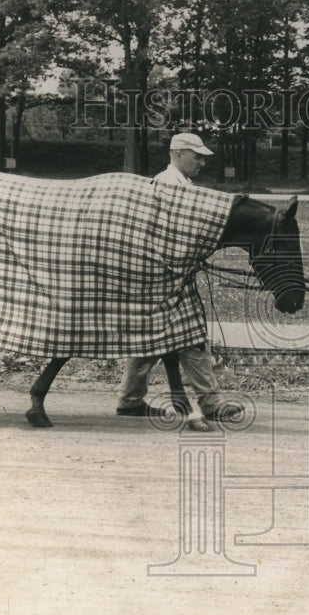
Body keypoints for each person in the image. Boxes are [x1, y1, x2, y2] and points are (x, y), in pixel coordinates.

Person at [115, 132, 244, 423]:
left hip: (166, 277)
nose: (202, 162)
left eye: (202, 157)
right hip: (164, 278)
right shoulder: (167, 185)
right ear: (177, 154)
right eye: (196, 156)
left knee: (150, 338)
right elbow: (162, 237)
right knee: (192, 339)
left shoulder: (180, 184)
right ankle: (211, 404)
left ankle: (130, 399)